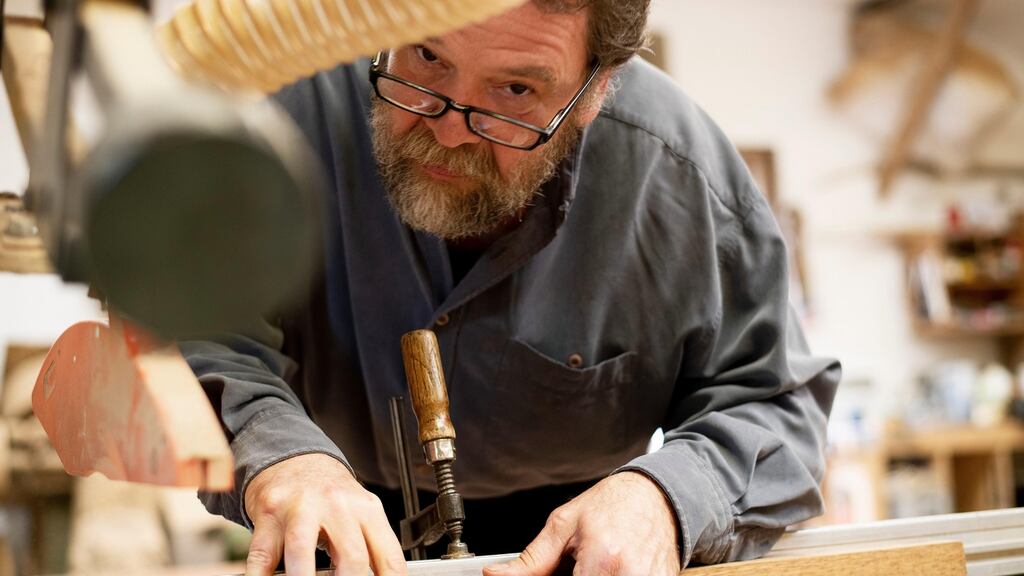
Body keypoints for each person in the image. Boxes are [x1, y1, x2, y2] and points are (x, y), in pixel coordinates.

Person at [180, 1, 841, 575]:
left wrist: (664, 501)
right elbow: (193, 334)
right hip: (323, 520)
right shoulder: (285, 111)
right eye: (428, 57)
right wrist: (280, 457)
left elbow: (775, 405)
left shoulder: (681, 179)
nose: (447, 130)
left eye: (515, 92)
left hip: (583, 543)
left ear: (595, 92)